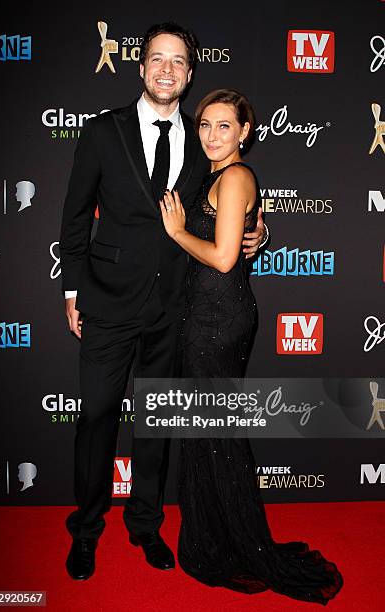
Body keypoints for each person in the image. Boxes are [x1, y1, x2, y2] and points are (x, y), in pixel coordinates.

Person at [59, 23, 267, 581]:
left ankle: (146, 526)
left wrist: (257, 226)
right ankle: (86, 530)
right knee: (96, 421)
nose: (167, 69)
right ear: (141, 66)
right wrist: (72, 290)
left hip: (173, 310)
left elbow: (228, 197)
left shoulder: (203, 141)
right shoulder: (104, 131)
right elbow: (75, 217)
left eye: (178, 61)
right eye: (157, 59)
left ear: (190, 73)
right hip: (105, 304)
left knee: (154, 425)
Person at [160, 89, 343, 605]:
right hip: (205, 317)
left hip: (218, 321)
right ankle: (215, 535)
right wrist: (255, 233)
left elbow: (220, 259)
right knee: (208, 431)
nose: (213, 135)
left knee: (217, 432)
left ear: (245, 132)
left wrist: (177, 231)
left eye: (225, 126)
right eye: (205, 126)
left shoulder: (236, 176)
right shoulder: (215, 178)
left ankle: (238, 542)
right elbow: (233, 242)